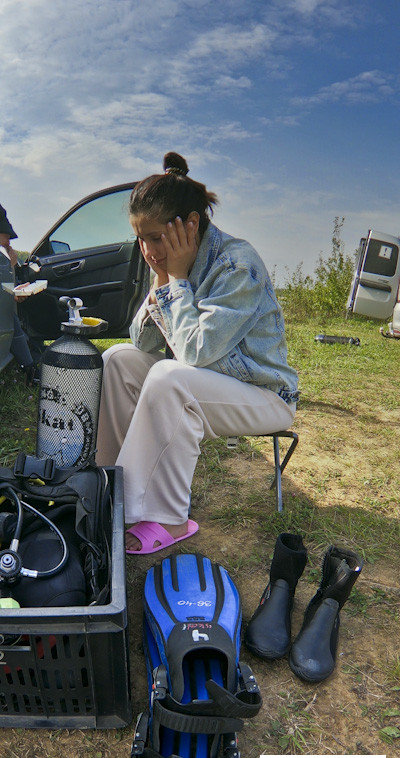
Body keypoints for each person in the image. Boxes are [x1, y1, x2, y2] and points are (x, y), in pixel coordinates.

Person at [95, 152, 299, 554]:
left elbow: (193, 354)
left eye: (156, 238)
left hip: (262, 394)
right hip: (211, 382)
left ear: (190, 224)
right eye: (141, 238)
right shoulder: (167, 266)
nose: (149, 249)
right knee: (116, 360)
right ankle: (110, 482)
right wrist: (161, 280)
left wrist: (178, 281)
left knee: (170, 379)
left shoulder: (238, 267)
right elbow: (143, 344)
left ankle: (168, 517)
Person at [0, 201, 39, 385]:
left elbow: (1, 291)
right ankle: (30, 368)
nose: (9, 245)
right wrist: (9, 266)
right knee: (11, 318)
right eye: (7, 239)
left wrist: (13, 290)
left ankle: (30, 364)